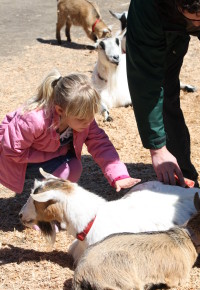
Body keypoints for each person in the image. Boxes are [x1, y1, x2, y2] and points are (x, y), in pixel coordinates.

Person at [0, 70, 141, 194]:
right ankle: (42, 213)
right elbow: (12, 150)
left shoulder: (83, 118)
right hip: (16, 161)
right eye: (81, 119)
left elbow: (100, 144)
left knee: (73, 168)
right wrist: (57, 153)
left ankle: (50, 206)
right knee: (66, 170)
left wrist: (119, 175)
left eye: (91, 116)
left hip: (45, 156)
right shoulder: (34, 119)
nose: (87, 123)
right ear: (60, 110)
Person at [126, 0, 200, 187]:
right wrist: (157, 147)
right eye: (195, 20)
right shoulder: (147, 9)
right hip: (162, 19)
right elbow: (147, 80)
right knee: (165, 91)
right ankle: (182, 177)